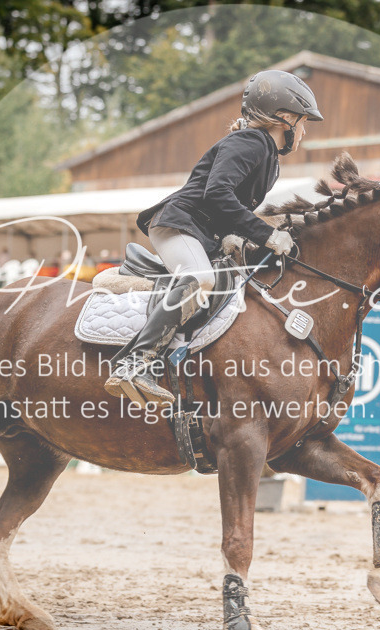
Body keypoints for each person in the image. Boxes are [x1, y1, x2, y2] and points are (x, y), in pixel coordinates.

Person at [103, 70, 323, 407]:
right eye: (304, 122)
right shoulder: (252, 142)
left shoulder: (267, 156)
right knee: (200, 278)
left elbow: (226, 205)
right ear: (285, 118)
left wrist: (238, 237)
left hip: (200, 230)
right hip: (180, 223)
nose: (305, 131)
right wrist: (266, 234)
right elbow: (217, 193)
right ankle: (135, 362)